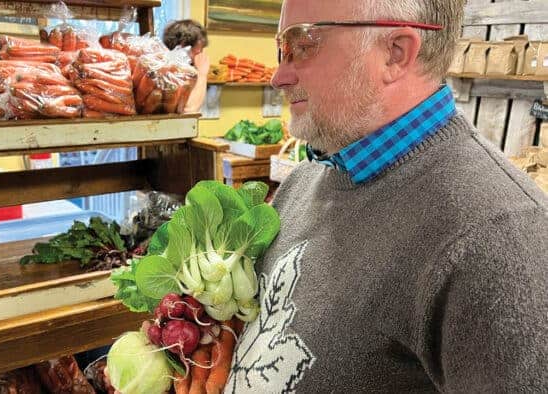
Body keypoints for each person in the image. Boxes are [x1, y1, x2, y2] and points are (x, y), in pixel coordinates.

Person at [226, 0, 548, 392]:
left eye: (304, 43)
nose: (279, 75)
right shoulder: (310, 175)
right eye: (282, 47)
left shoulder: (500, 239)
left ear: (395, 53)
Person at [162, 19, 210, 113]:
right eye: (200, 47)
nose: (201, 52)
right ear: (184, 45)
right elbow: (189, 109)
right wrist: (202, 74)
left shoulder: (186, 68)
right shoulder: (171, 70)